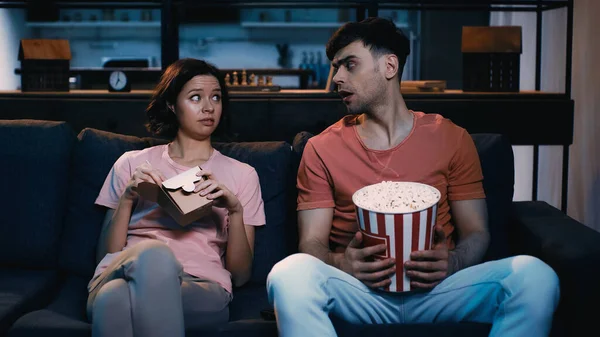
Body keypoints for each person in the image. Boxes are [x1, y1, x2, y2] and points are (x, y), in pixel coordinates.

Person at [267, 17, 559, 337]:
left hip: (439, 290)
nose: (337, 78)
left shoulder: (451, 138)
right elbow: (311, 242)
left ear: (389, 65)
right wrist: (342, 264)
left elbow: (476, 231)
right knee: (288, 274)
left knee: (535, 277)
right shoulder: (321, 148)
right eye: (335, 67)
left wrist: (454, 263)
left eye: (350, 65)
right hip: (358, 291)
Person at [87, 58, 266, 337]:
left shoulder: (243, 175)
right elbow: (106, 255)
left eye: (216, 97)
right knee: (154, 256)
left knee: (114, 300)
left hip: (201, 287)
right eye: (196, 97)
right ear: (172, 104)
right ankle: (153, 260)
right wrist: (127, 197)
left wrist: (235, 211)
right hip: (126, 269)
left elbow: (240, 276)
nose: (209, 107)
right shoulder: (132, 163)